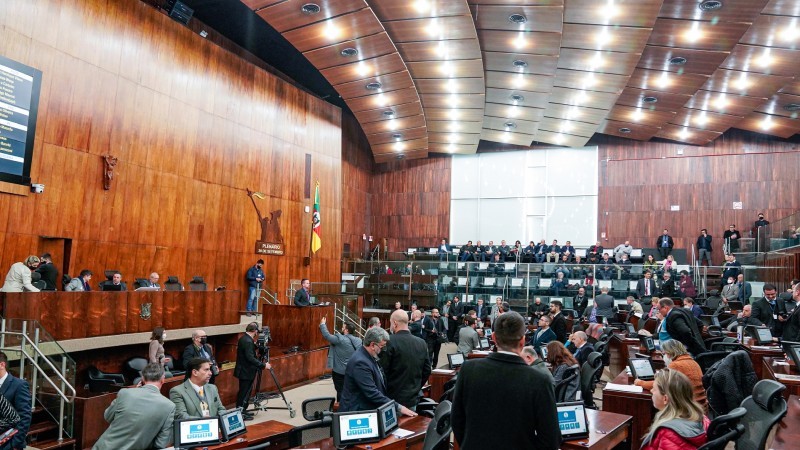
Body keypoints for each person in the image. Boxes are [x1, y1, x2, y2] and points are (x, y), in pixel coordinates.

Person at [452, 311, 559, 449]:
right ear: (523, 340)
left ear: (494, 338)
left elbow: (457, 420)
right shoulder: (540, 379)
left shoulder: (468, 369)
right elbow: (550, 437)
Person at [92, 363, 174, 450]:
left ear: (142, 378)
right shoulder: (169, 406)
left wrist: (135, 391)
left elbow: (108, 416)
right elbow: (160, 444)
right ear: (163, 380)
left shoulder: (125, 393)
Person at [339, 327, 416, 416]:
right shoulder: (360, 362)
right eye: (382, 346)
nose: (384, 349)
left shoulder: (370, 356)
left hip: (366, 409)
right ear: (372, 345)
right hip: (356, 413)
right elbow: (372, 393)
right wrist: (399, 407)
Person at [640, 369, 709, 450]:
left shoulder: (667, 433)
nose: (651, 391)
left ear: (665, 398)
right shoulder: (703, 419)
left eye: (654, 389)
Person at [380, 310, 431, 410]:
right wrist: (416, 387)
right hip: (413, 398)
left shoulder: (389, 342)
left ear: (395, 323)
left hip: (392, 399)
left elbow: (383, 371)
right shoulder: (422, 343)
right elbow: (427, 370)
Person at [635, 340, 707, 407]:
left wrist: (640, 383)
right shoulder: (693, 362)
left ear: (669, 353)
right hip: (701, 405)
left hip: (688, 406)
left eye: (664, 353)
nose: (664, 356)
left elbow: (660, 384)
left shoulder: (676, 365)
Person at [234, 322, 271, 420]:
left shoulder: (245, 339)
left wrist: (256, 345)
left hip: (246, 370)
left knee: (246, 392)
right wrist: (263, 365)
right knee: (244, 393)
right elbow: (250, 358)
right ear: (254, 331)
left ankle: (243, 410)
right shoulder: (247, 341)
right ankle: (240, 413)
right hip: (245, 371)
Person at [319, 316, 360, 401]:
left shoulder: (339, 339)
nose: (342, 328)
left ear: (346, 330)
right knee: (350, 390)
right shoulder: (359, 341)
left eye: (343, 327)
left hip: (339, 372)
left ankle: (340, 409)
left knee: (340, 391)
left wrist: (323, 324)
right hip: (352, 371)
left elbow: (327, 335)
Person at [0, 352, 31, 450]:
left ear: (2, 364)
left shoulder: (19, 385)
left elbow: (24, 418)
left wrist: (13, 445)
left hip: (8, 444)